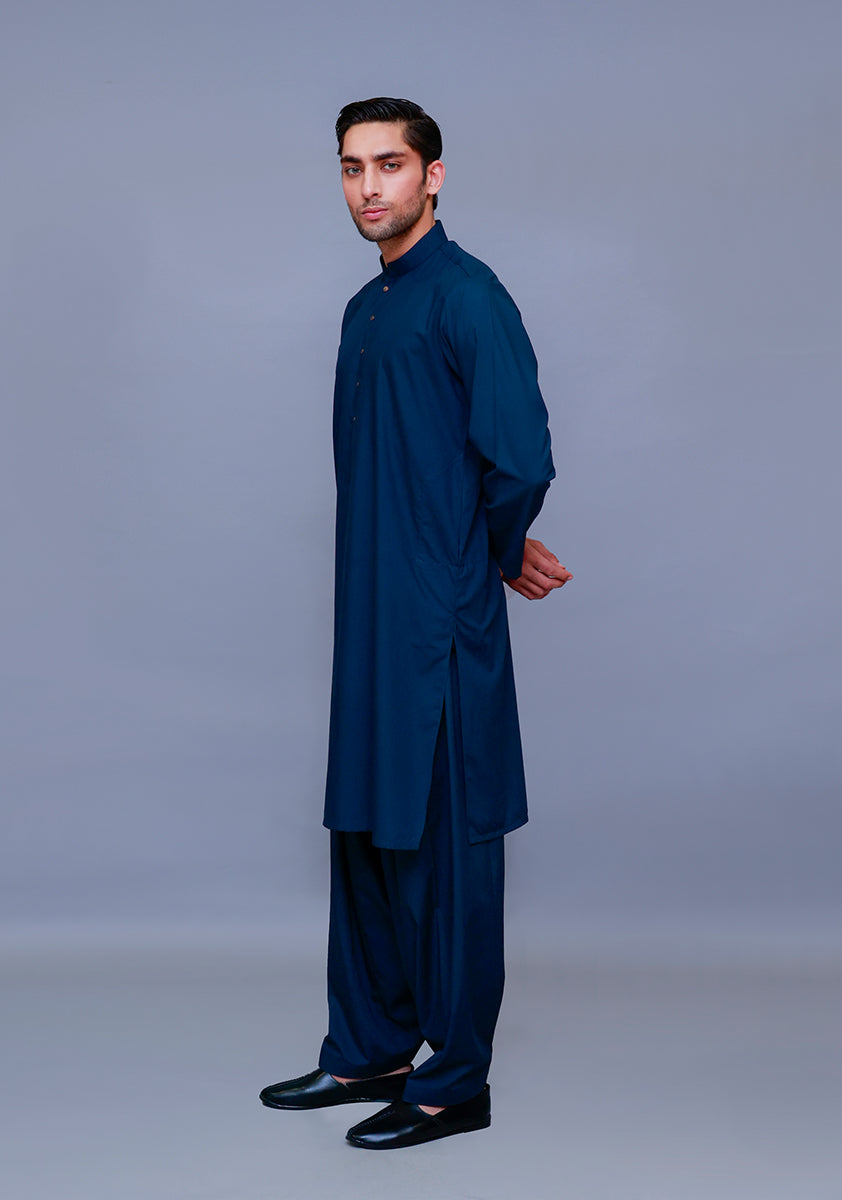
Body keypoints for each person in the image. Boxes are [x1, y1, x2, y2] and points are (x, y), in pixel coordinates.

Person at [259, 97, 571, 1150]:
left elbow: (518, 455)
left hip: (437, 622)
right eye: (352, 168)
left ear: (432, 176)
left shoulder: (467, 297)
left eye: (389, 165)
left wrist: (489, 551)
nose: (368, 187)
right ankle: (369, 1049)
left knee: (444, 847)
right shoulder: (368, 307)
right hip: (369, 617)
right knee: (363, 829)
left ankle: (452, 1084)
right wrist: (474, 540)